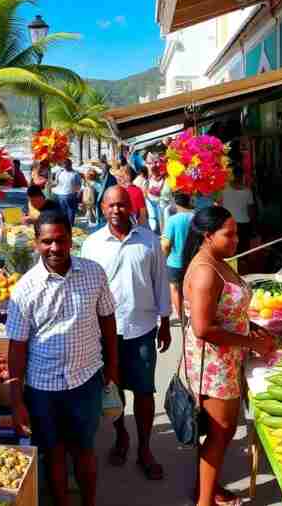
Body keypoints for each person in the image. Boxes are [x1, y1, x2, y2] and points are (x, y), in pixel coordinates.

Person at [7, 208, 118, 506]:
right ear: (36, 243)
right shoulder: (24, 289)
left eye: (60, 240)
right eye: (47, 242)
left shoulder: (94, 272)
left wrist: (113, 368)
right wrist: (17, 402)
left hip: (86, 381)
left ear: (71, 240)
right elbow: (16, 348)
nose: (54, 248)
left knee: (84, 451)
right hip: (43, 390)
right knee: (54, 455)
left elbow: (108, 320)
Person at [183, 207, 277, 506]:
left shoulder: (218, 261)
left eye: (236, 232)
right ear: (208, 236)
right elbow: (203, 328)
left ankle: (209, 489)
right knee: (220, 434)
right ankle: (204, 501)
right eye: (229, 234)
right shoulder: (205, 271)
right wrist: (251, 342)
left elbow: (226, 312)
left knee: (218, 434)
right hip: (213, 365)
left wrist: (253, 329)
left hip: (227, 358)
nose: (236, 239)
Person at [82, 186, 170, 481]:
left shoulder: (148, 240)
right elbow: (86, 291)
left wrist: (166, 321)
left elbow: (161, 281)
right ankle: (121, 436)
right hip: (104, 332)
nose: (117, 210)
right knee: (113, 390)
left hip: (142, 328)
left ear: (131, 207)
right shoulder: (92, 244)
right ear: (102, 208)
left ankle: (145, 448)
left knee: (145, 392)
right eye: (111, 206)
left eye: (122, 205)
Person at [161, 191, 194, 317]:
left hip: (175, 262)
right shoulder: (196, 217)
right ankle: (194, 314)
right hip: (193, 261)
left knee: (175, 289)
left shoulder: (172, 220)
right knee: (192, 288)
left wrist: (163, 259)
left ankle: (182, 317)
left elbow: (166, 245)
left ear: (175, 203)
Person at [218, 168, 257, 249]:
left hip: (228, 223)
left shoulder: (224, 189)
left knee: (229, 248)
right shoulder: (248, 191)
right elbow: (251, 212)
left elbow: (220, 207)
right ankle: (243, 261)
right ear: (242, 176)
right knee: (243, 249)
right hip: (243, 224)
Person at [51, 159, 81, 228]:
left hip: (61, 195)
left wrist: (50, 185)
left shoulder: (59, 172)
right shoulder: (75, 174)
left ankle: (64, 225)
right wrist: (78, 194)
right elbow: (78, 185)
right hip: (70, 194)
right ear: (70, 165)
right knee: (71, 210)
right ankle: (70, 226)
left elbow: (55, 183)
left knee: (63, 211)